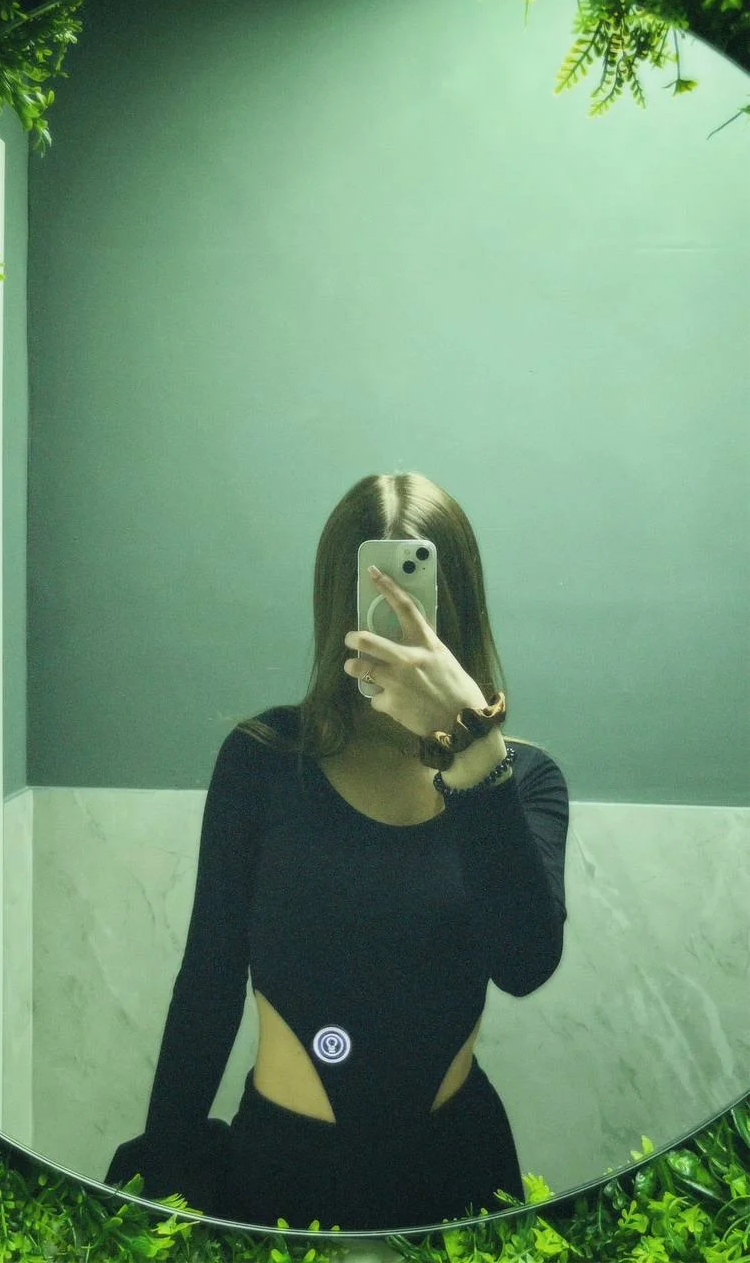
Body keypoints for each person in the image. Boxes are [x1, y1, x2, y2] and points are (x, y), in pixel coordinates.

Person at [106, 472, 569, 1230]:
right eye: (376, 595)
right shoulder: (264, 760)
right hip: (281, 1169)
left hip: (456, 1168)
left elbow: (525, 966)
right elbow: (209, 980)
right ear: (338, 603)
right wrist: (157, 1180)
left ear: (457, 603)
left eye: (420, 593)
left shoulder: (518, 781)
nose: (400, 621)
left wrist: (473, 753)